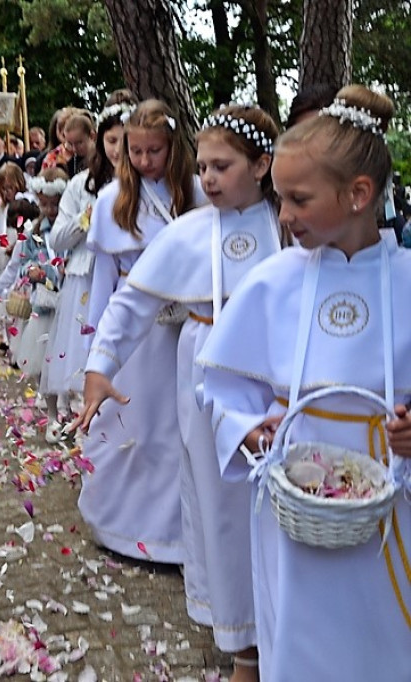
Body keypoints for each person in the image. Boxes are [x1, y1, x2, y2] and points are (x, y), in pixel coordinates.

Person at [198, 86, 411, 681]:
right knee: (300, 630)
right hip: (296, 498)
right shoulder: (273, 282)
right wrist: (249, 428)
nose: (283, 215)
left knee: (379, 635)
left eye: (298, 199)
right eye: (280, 199)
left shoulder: (408, 281)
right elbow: (220, 385)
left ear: (358, 195)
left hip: (390, 502)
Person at [75, 104, 281, 680]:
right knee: (221, 508)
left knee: (281, 507)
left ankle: (288, 626)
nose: (209, 179)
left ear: (262, 166)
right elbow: (131, 303)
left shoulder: (288, 225)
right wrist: (100, 366)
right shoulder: (190, 232)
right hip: (207, 368)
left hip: (276, 378)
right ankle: (245, 648)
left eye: (222, 167)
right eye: (206, 167)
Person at [77, 99, 205, 564]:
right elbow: (105, 281)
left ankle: (181, 534)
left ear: (174, 148)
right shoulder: (113, 200)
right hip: (136, 335)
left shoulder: (196, 192)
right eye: (137, 151)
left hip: (186, 330)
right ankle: (125, 527)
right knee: (134, 429)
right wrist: (95, 348)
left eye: (155, 151)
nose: (145, 161)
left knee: (180, 432)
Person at [45, 89, 136, 443]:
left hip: (125, 283)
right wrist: (88, 217)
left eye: (124, 141)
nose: (118, 149)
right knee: (86, 354)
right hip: (86, 279)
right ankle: (87, 428)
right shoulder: (80, 185)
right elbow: (58, 238)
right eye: (112, 140)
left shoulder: (142, 184)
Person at [0, 166, 69, 397]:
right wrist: (31, 270)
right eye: (45, 205)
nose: (50, 210)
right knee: (42, 352)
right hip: (43, 301)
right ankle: (49, 400)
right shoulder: (34, 231)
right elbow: (21, 263)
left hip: (66, 297)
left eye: (55, 205)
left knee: (64, 352)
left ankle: (63, 400)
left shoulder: (71, 229)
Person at [0, 163, 38, 328]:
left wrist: (15, 245)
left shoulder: (27, 204)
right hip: (2, 252)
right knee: (5, 287)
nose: (7, 193)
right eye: (3, 189)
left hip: (20, 249)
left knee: (17, 290)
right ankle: (5, 327)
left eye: (10, 188)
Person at [42, 108, 95, 177]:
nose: (74, 149)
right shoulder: (70, 164)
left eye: (79, 143)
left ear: (92, 136)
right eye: (70, 143)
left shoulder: (102, 158)